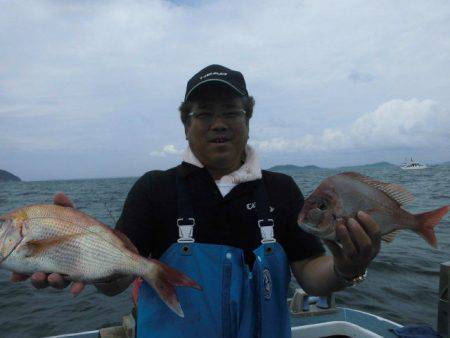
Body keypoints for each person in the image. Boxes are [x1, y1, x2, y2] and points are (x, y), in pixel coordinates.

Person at [11, 65, 381, 337]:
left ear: (248, 118)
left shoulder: (281, 189)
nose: (218, 123)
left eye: (231, 112)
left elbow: (312, 276)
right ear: (185, 124)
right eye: (203, 113)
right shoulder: (154, 189)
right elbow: (117, 281)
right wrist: (79, 254)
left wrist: (348, 267)